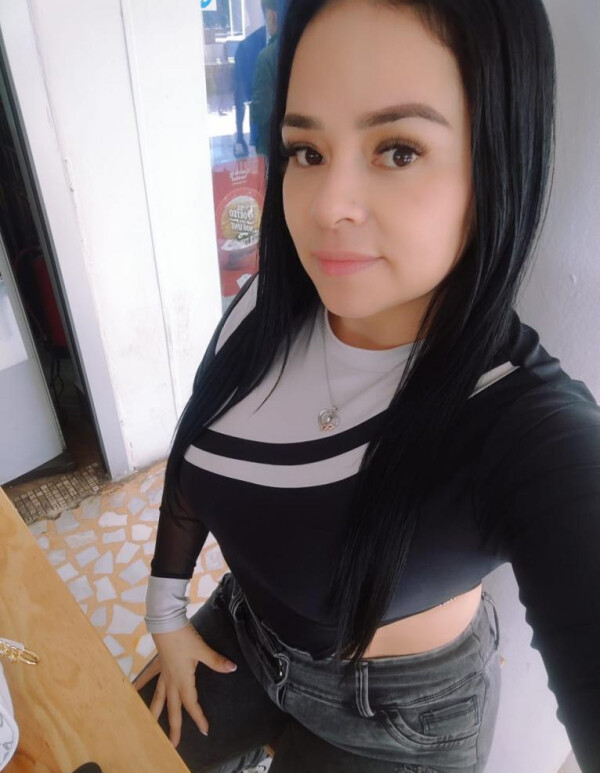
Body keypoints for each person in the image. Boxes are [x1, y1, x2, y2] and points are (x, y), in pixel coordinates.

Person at [135, 0, 600, 770]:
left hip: (401, 718)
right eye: (307, 150)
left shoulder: (524, 425)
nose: (327, 208)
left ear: (497, 159)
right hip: (243, 633)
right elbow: (195, 464)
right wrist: (165, 615)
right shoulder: (264, 307)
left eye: (398, 149)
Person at [233, 0, 279, 158]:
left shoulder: (254, 50)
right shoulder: (303, 47)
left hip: (268, 139)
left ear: (270, 15)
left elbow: (241, 98)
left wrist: (240, 135)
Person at [250, 25, 279, 157]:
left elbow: (262, 109)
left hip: (271, 141)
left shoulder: (267, 56)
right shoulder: (306, 49)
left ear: (271, 16)